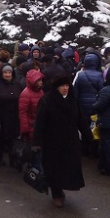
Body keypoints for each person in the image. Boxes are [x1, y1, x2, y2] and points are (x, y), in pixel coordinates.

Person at [33, 74, 92, 207]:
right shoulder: (47, 100)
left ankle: (62, 188)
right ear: (56, 87)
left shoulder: (72, 99)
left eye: (67, 85)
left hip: (71, 141)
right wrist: (37, 142)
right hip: (53, 142)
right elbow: (40, 123)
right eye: (62, 86)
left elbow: (80, 119)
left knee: (68, 167)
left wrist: (88, 136)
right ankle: (56, 193)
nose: (65, 88)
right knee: (55, 168)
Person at [0, 64, 22, 167]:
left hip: (13, 116)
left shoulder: (17, 84)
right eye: (5, 72)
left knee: (11, 139)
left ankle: (13, 159)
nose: (7, 74)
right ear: (1, 73)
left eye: (9, 72)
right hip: (0, 116)